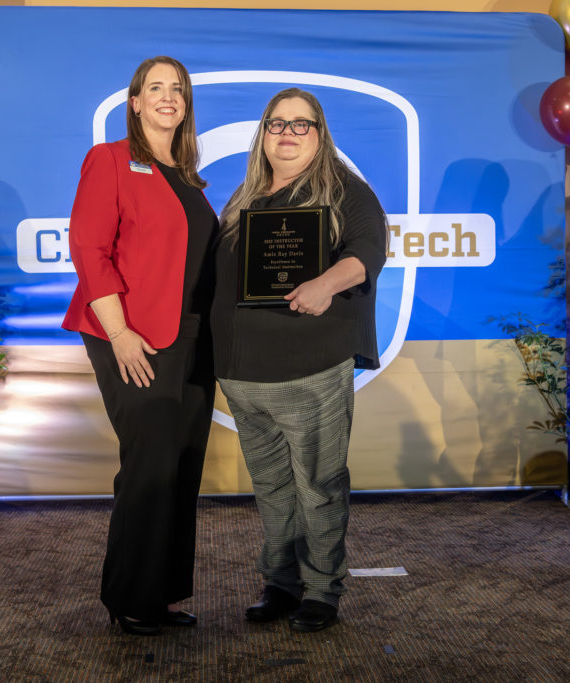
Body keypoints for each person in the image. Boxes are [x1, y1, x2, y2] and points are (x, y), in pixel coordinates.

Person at [211, 88, 387, 633]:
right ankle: (281, 584)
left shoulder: (346, 191)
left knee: (318, 485)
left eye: (300, 124)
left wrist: (324, 285)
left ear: (320, 133)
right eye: (276, 123)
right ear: (263, 132)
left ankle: (321, 591)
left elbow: (367, 253)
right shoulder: (244, 196)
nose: (286, 133)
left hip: (310, 364)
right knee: (272, 488)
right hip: (243, 371)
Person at [62, 56, 218, 636]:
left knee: (181, 465)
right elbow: (88, 249)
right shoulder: (111, 160)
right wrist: (122, 333)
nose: (168, 97)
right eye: (155, 88)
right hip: (131, 335)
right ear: (134, 101)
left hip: (193, 340)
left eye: (177, 89)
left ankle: (167, 592)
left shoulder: (191, 178)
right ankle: (129, 598)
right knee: (149, 467)